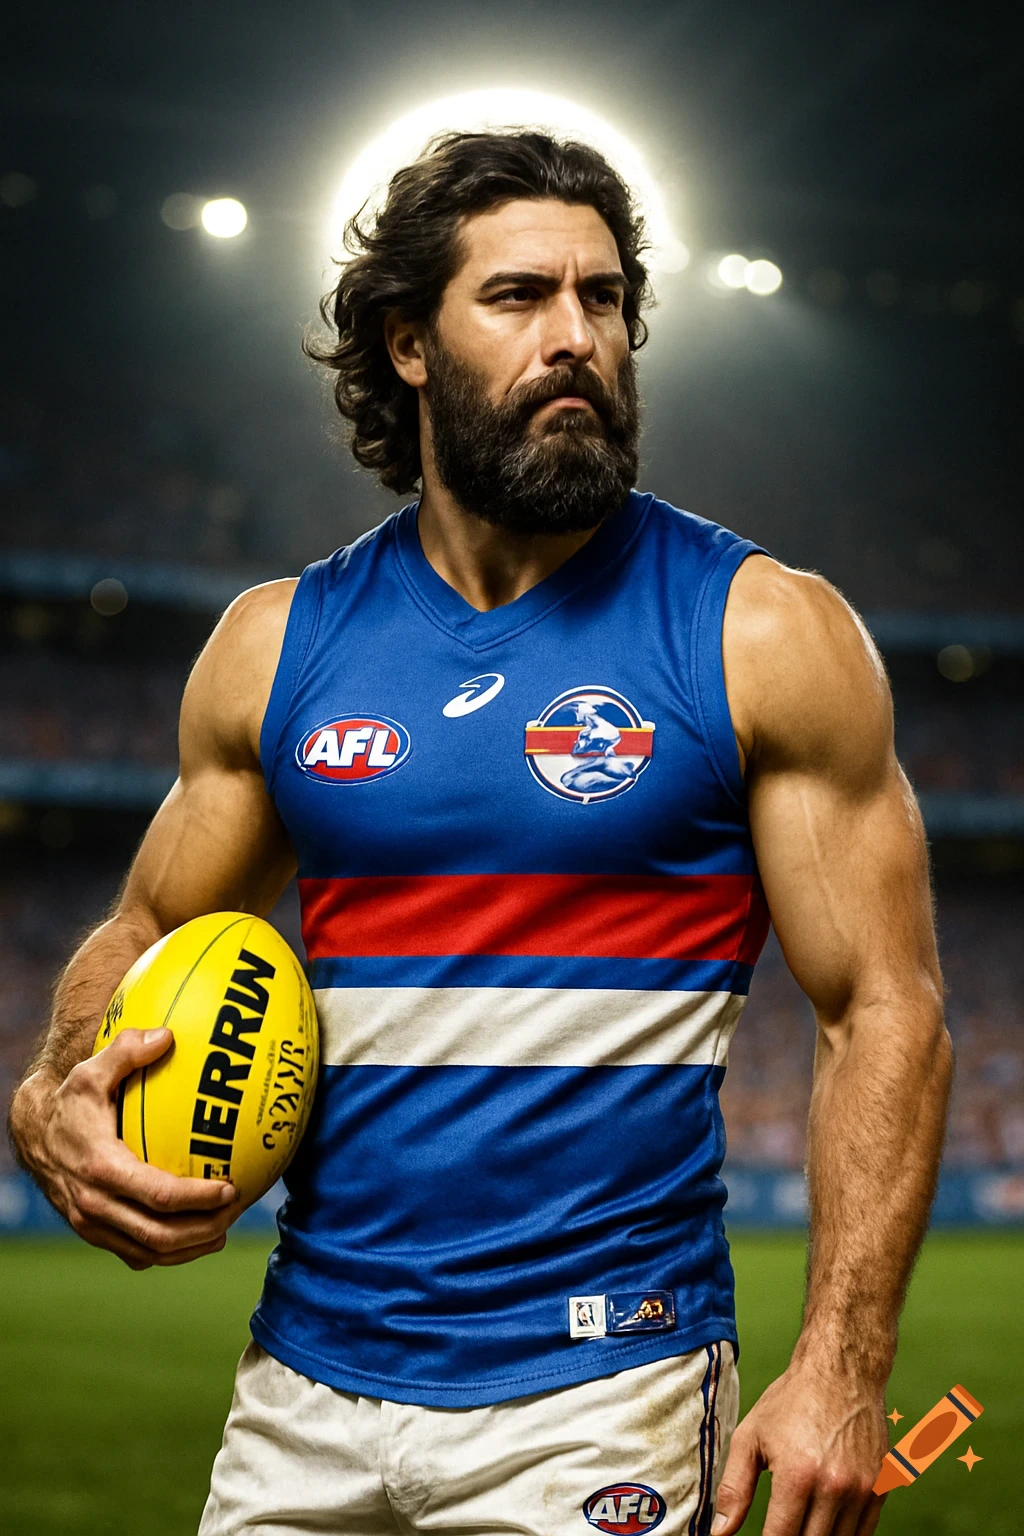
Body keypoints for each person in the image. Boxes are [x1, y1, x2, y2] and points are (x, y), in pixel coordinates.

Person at [9, 131, 952, 1536]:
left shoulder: (763, 631)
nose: (578, 337)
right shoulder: (278, 646)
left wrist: (842, 1364)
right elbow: (145, 927)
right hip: (303, 1388)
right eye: (520, 298)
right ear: (407, 345)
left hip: (606, 1389)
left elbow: (887, 1008)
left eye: (607, 297)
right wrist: (48, 1091)